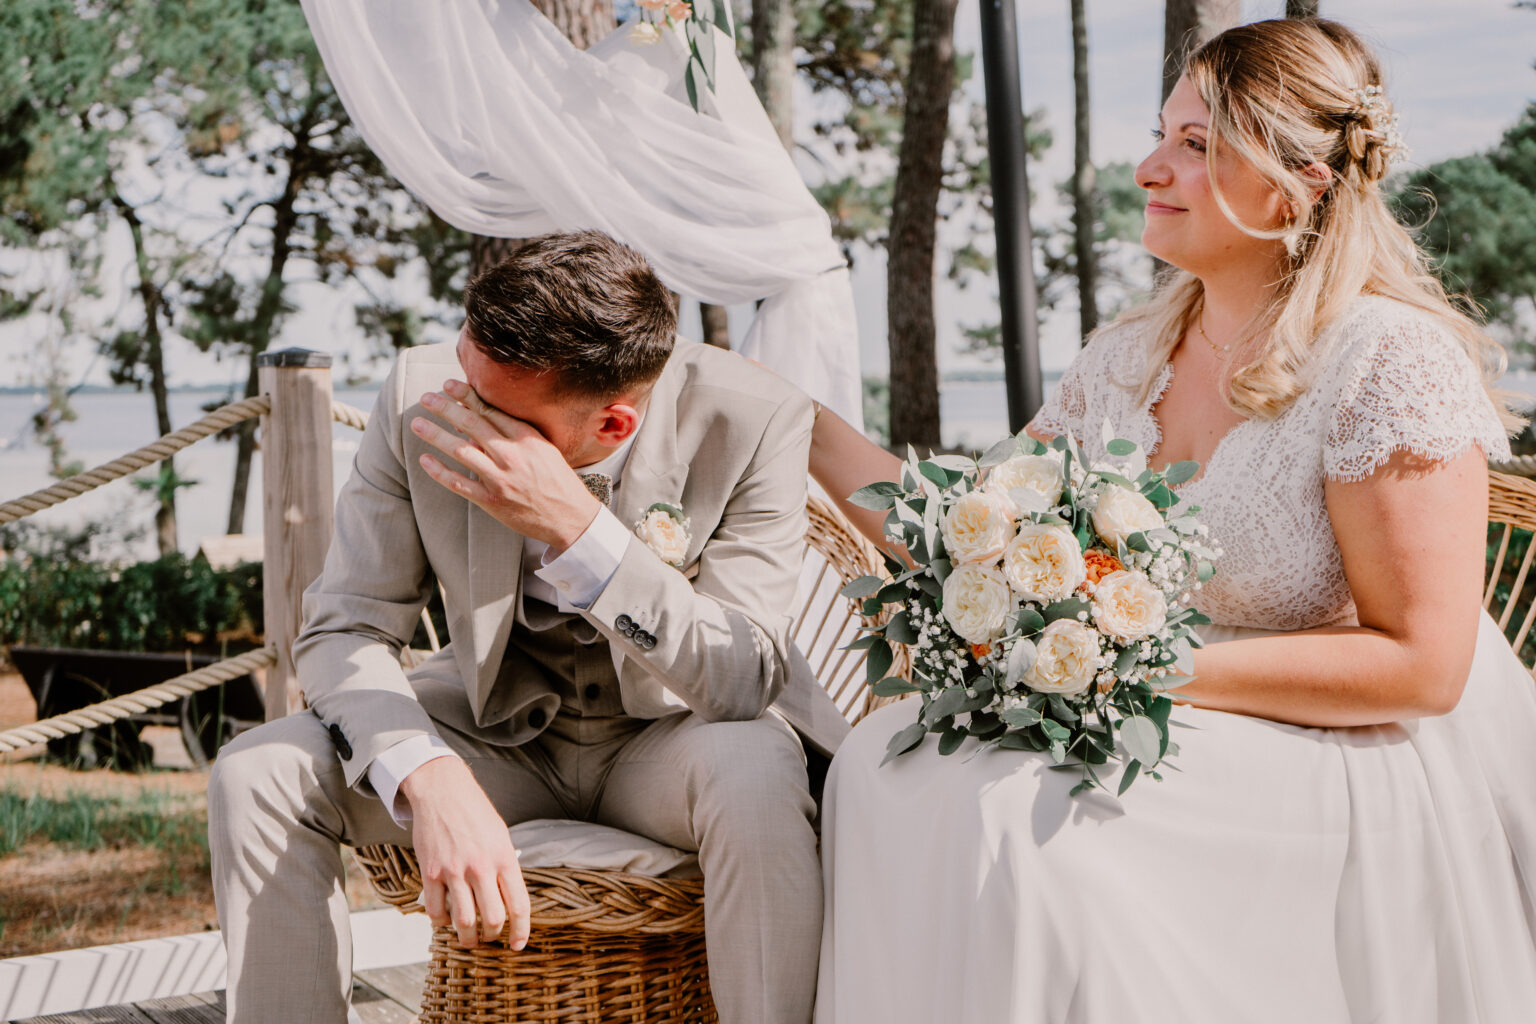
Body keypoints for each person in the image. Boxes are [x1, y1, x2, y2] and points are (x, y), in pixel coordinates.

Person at [811, 19, 1536, 1024]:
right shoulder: (1128, 355)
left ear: (1300, 181)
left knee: (1014, 817)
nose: (1150, 166)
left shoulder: (1385, 361)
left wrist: (1136, 667)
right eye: (1165, 134)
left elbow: (1422, 666)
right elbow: (970, 527)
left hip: (1334, 742)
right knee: (881, 767)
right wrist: (791, 423)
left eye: (1197, 144)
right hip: (1153, 708)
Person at [207, 230, 848, 1024]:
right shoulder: (421, 392)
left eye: (494, 412)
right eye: (465, 377)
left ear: (613, 426)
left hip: (670, 739)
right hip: (488, 734)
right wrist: (428, 776)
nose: (460, 410)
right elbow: (345, 627)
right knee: (256, 773)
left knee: (756, 768)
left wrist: (582, 531)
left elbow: (743, 675)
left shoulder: (751, 418)